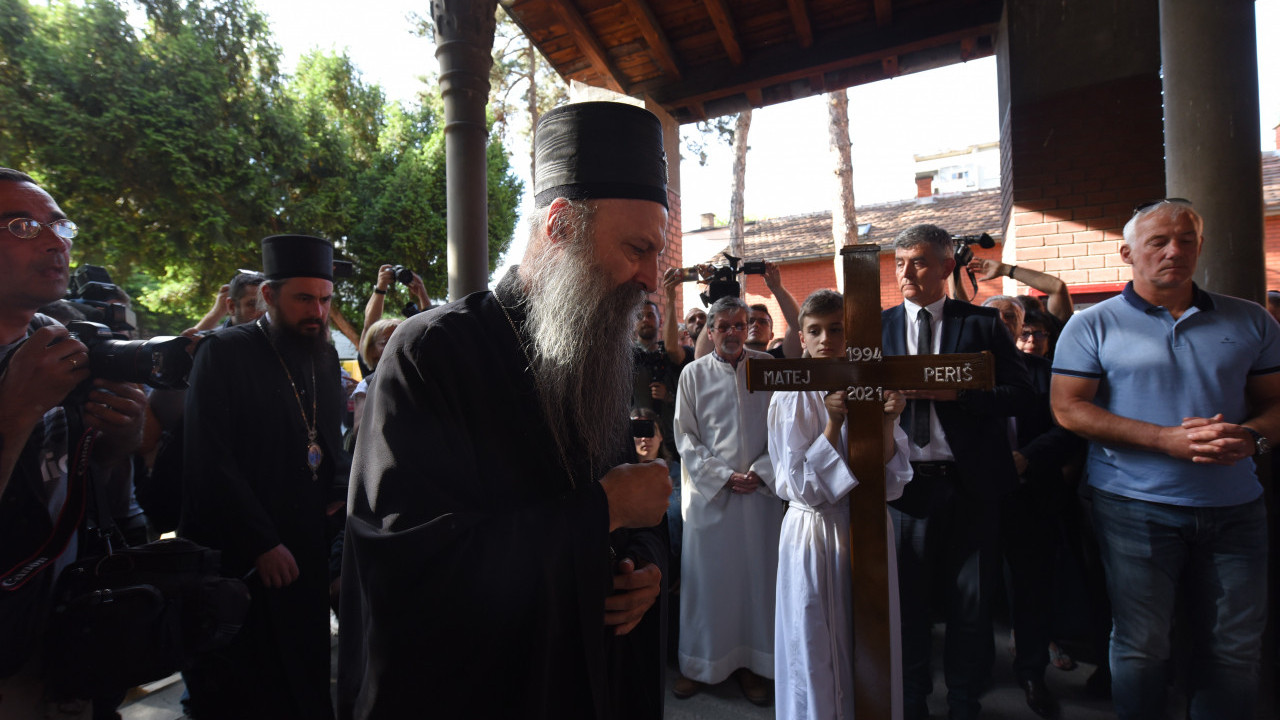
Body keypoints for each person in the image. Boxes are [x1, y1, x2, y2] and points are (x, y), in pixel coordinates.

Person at [338, 101, 673, 719]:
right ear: (560, 227)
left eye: (657, 254)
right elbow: (411, 566)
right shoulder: (430, 353)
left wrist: (644, 569)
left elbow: (633, 509)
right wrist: (602, 511)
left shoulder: (594, 345)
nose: (651, 277)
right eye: (636, 248)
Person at [1050, 199, 1280, 720]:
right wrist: (1163, 440)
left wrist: (1252, 438)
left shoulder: (1250, 319)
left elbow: (1275, 404)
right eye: (1158, 241)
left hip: (1236, 506)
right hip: (1134, 506)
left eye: (1187, 239)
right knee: (1142, 646)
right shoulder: (1092, 326)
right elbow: (1067, 409)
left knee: (1236, 647)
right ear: (1128, 252)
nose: (1174, 251)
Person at [180, 235, 347, 720]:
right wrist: (261, 541)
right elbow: (210, 460)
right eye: (304, 298)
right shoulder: (224, 353)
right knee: (248, 686)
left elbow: (328, 442)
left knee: (305, 673)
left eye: (325, 299)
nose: (316, 310)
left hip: (306, 546)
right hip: (246, 553)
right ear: (270, 297)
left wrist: (337, 498)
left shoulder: (323, 353)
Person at [0, 168, 147, 719]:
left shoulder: (68, 341)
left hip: (69, 632)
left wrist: (118, 441)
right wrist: (14, 413)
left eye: (59, 224)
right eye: (20, 225)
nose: (53, 240)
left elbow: (81, 488)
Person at [882, 224, 1033, 720]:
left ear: (947, 267)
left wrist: (959, 394)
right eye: (900, 261)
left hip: (971, 487)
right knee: (909, 610)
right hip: (905, 488)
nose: (905, 271)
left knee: (971, 608)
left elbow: (1021, 395)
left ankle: (965, 702)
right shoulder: (875, 328)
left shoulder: (982, 325)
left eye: (918, 262)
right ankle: (912, 701)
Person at [767, 288, 912, 720]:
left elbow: (888, 479)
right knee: (815, 640)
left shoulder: (869, 384)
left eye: (836, 329)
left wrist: (888, 420)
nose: (826, 338)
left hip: (866, 526)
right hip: (816, 529)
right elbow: (800, 485)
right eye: (815, 330)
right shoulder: (790, 394)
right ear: (802, 337)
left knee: (871, 639)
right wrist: (833, 422)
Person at [672, 295, 781, 705]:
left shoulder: (769, 370)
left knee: (758, 584)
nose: (733, 332)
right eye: (724, 326)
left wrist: (762, 472)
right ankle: (701, 666)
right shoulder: (693, 375)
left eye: (740, 325)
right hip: (711, 500)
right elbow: (684, 436)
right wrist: (722, 476)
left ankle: (754, 667)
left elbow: (785, 430)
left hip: (759, 499)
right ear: (711, 330)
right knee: (707, 585)